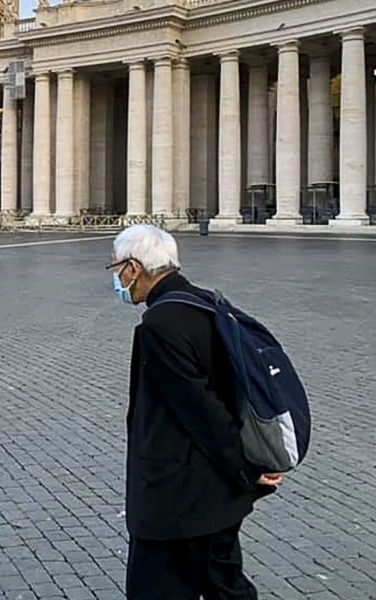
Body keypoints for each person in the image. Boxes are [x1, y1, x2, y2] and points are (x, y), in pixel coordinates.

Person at [107, 225, 284, 599]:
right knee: (225, 587)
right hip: (216, 502)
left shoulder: (159, 325)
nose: (118, 280)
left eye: (117, 269)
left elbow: (201, 412)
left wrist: (246, 468)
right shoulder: (206, 303)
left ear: (134, 268)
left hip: (176, 504)